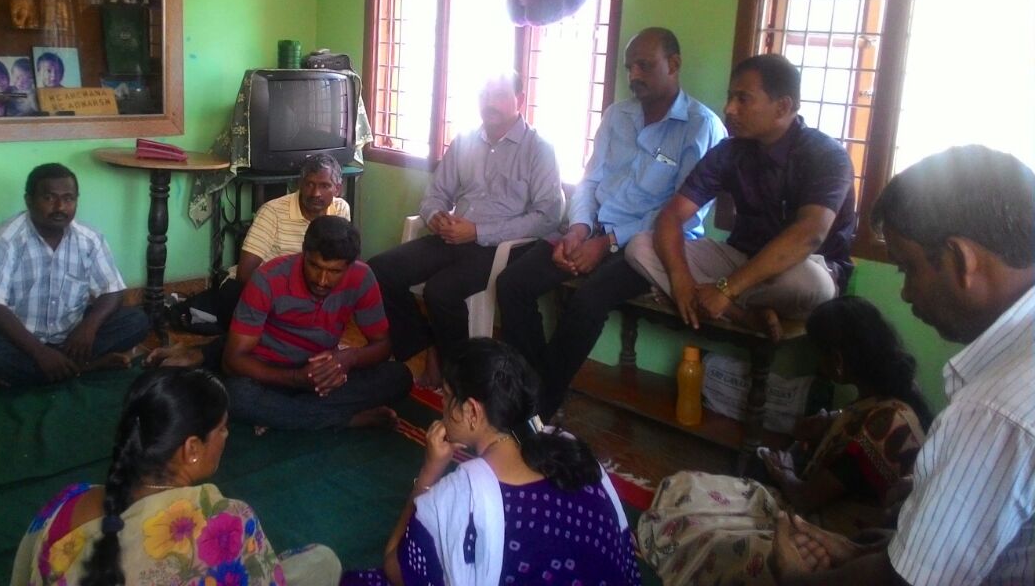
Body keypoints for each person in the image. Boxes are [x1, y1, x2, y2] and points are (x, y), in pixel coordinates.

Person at [769, 145, 1035, 586]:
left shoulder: (993, 411)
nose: (907, 295)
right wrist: (901, 544)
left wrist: (798, 581)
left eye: (907, 269)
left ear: (961, 259)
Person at [496, 27, 726, 418]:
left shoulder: (701, 127)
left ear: (674, 64)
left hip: (651, 246)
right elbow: (590, 180)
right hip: (592, 230)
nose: (634, 75)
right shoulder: (617, 116)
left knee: (587, 301)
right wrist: (579, 229)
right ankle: (534, 387)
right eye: (629, 67)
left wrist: (608, 243)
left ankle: (538, 405)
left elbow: (681, 213)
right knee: (513, 283)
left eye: (645, 65)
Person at [638, 296, 932, 585]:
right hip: (818, 514)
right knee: (689, 486)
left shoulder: (884, 424)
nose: (817, 362)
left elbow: (805, 497)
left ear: (838, 362)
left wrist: (784, 471)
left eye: (819, 353)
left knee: (720, 541)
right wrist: (828, 423)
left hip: (836, 537)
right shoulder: (894, 397)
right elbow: (849, 423)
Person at [344, 338, 639, 585]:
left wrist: (428, 474)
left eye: (446, 397)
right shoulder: (573, 450)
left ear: (472, 411)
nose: (443, 407)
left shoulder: (464, 492)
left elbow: (396, 567)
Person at [11, 368, 341, 586]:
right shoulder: (229, 520)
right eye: (222, 428)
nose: (227, 436)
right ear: (192, 449)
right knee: (322, 563)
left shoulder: (66, 502)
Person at [626, 53, 856, 339]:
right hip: (742, 258)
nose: (729, 109)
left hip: (806, 266)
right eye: (730, 97)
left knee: (809, 284)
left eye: (743, 99)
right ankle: (742, 315)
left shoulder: (826, 155)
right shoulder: (730, 151)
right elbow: (671, 216)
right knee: (639, 247)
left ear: (783, 106)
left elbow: (808, 236)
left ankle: (719, 301)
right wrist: (680, 279)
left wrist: (726, 289)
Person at [369, 72, 563, 386]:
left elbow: (548, 216)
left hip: (503, 247)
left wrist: (478, 231)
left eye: (499, 94)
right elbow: (435, 194)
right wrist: (436, 217)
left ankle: (459, 376)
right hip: (452, 236)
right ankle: (428, 346)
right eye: (484, 95)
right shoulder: (465, 141)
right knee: (378, 270)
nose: (489, 103)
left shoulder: (539, 149)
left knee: (440, 291)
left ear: (520, 101)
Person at [219, 215, 412, 430]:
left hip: (323, 377)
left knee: (399, 377)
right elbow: (232, 360)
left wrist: (349, 358)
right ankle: (347, 419)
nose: (322, 280)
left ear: (351, 264)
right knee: (237, 396)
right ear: (304, 252)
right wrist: (295, 378)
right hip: (271, 376)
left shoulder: (362, 277)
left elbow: (382, 345)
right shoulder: (268, 279)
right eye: (314, 266)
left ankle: (286, 414)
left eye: (334, 271)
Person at [0, 163, 150, 387]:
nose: (60, 207)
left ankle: (51, 370)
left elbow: (112, 291)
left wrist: (88, 328)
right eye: (49, 198)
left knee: (137, 321)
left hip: (72, 336)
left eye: (69, 198)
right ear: (29, 200)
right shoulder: (3, 240)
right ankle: (84, 367)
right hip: (20, 340)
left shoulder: (89, 238)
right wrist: (40, 352)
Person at [214, 154, 350, 328]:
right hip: (263, 289)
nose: (316, 193)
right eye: (309, 184)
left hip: (310, 291)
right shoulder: (273, 212)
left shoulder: (340, 209)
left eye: (325, 186)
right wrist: (285, 303)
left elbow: (342, 263)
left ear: (337, 189)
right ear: (299, 184)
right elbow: (245, 274)